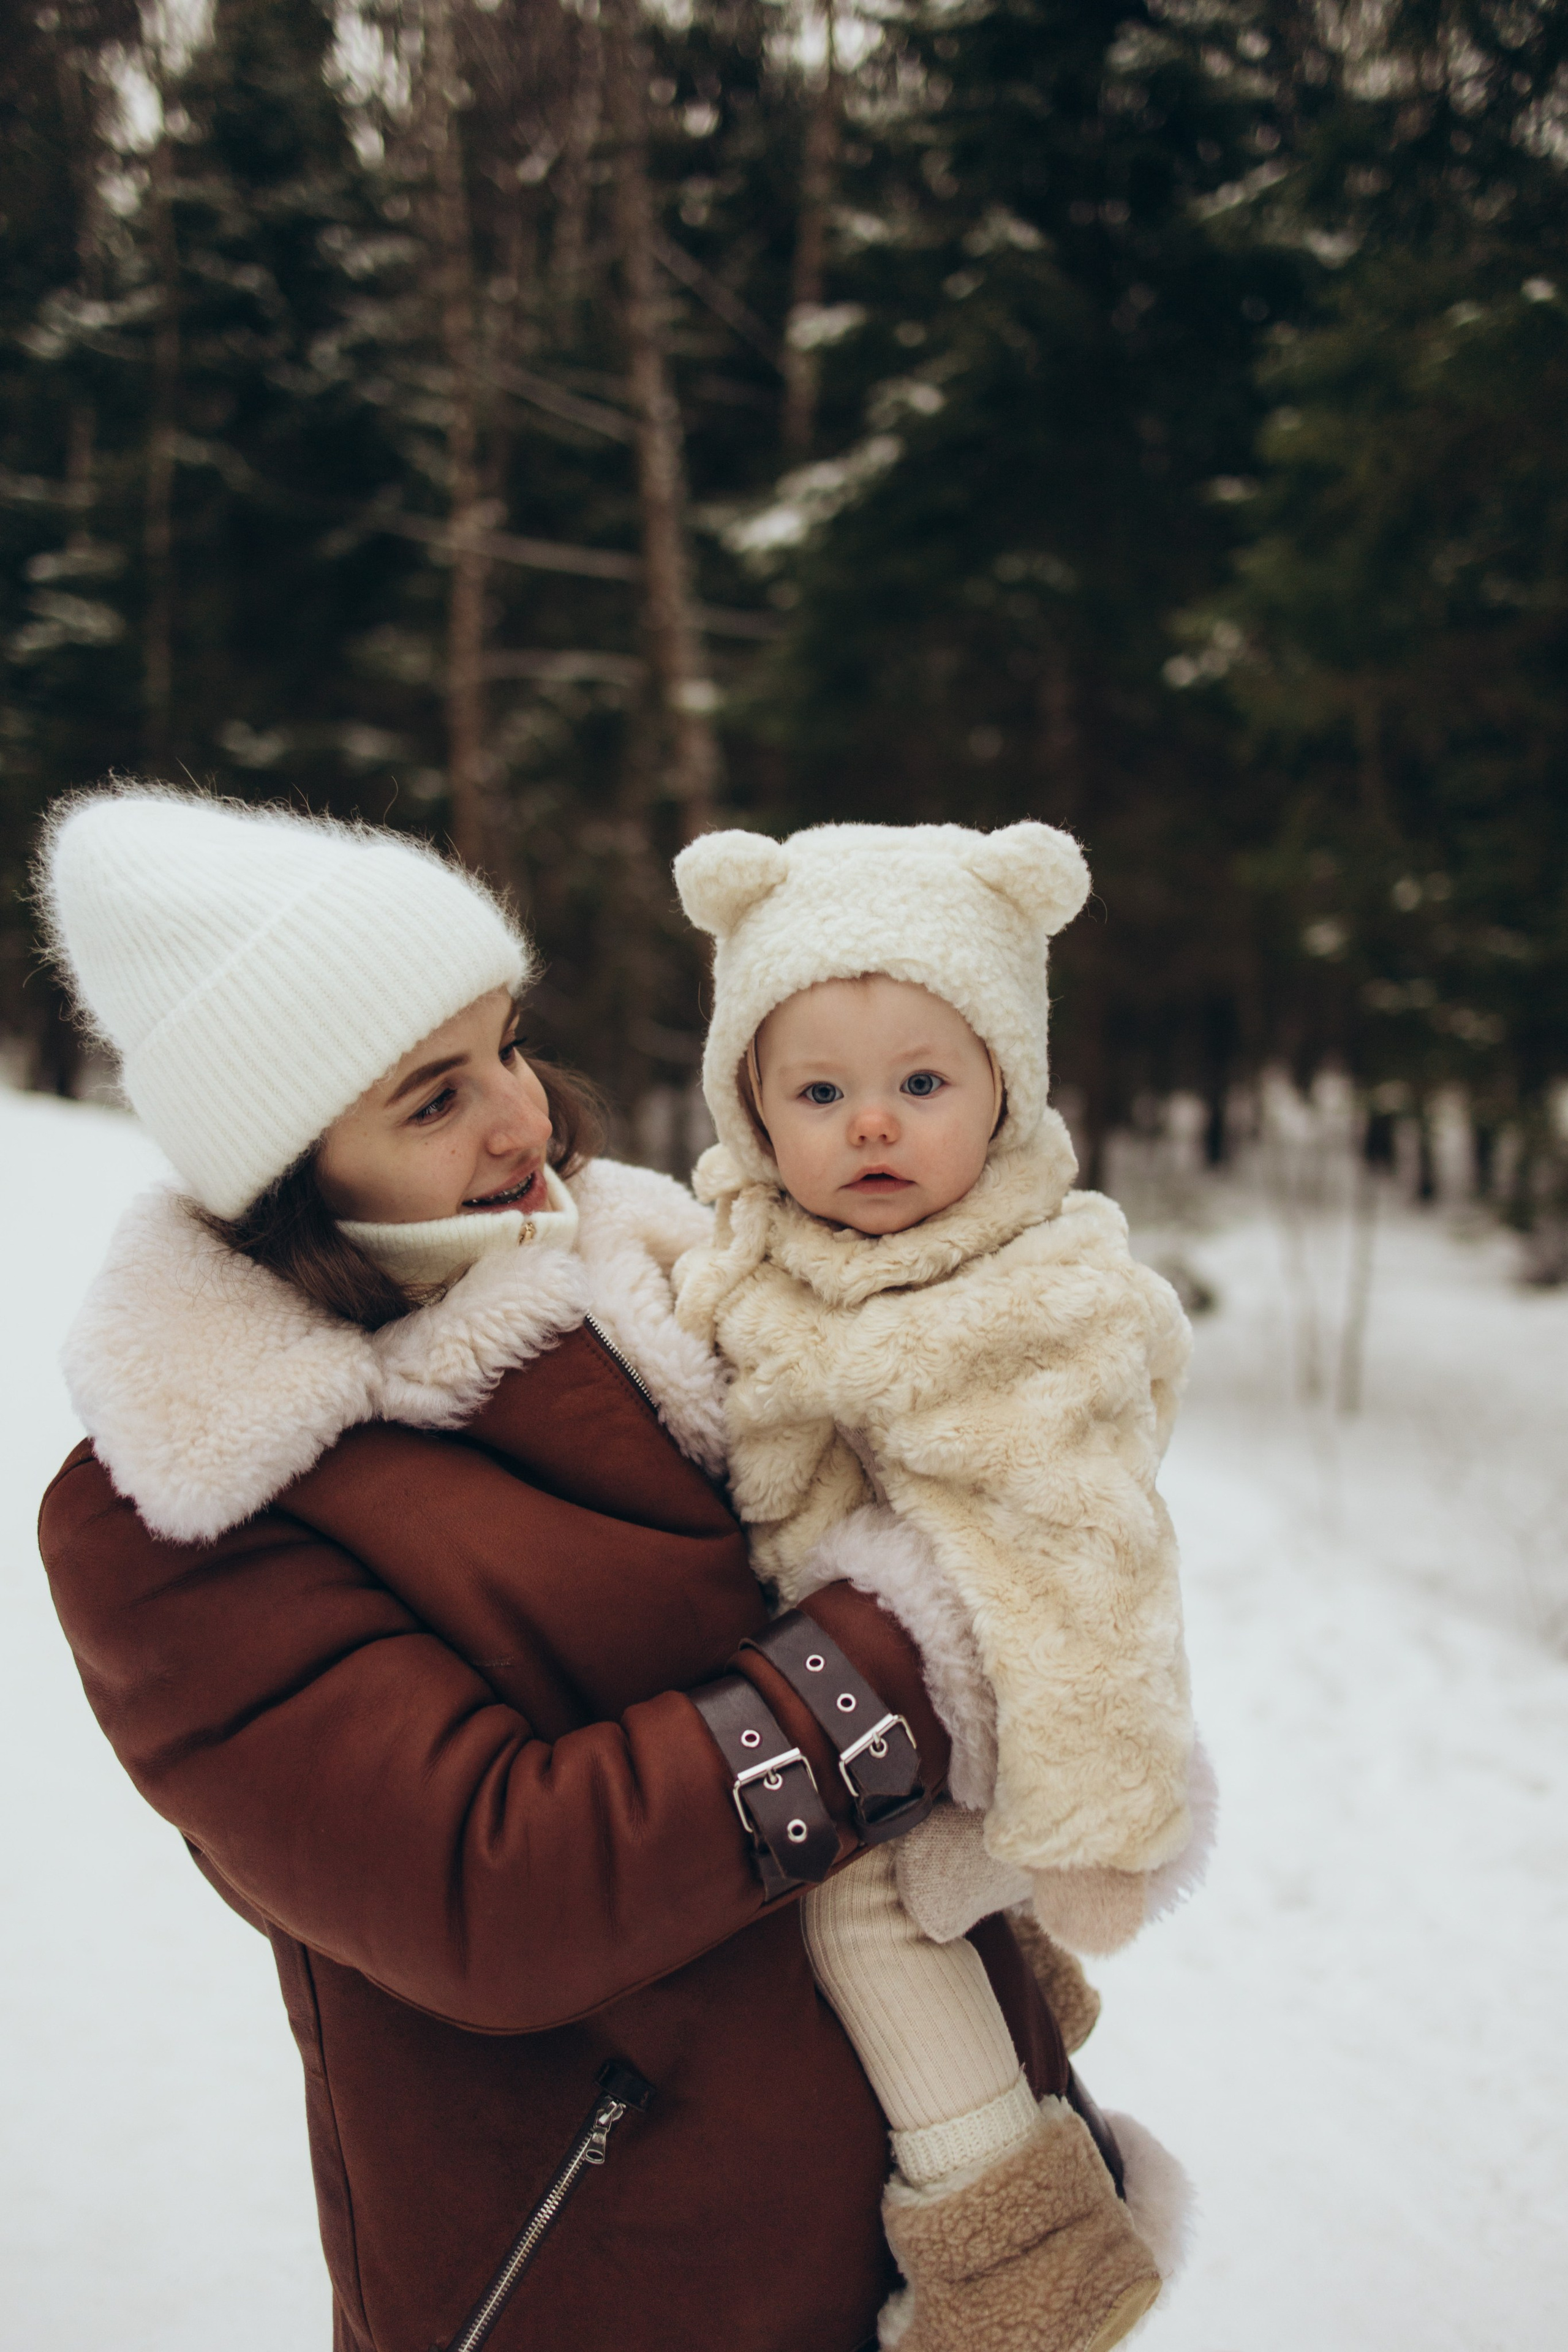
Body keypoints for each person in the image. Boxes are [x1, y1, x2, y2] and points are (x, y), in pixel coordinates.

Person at [34, 785, 1090, 2352]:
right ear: (286, 1170)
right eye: (433, 1097)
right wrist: (901, 1648)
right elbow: (496, 1886)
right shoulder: (184, 1518)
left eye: (508, 1046)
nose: (524, 1120)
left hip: (906, 2202)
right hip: (614, 2276)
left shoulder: (654, 1264)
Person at [671, 820, 1205, 2352]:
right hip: (830, 1690)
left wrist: (1100, 1821)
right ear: (751, 1105)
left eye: (922, 1082)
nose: (872, 1129)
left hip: (1009, 1695)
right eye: (818, 1092)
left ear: (1003, 1086)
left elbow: (1092, 1572)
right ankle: (1013, 2004)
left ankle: (1034, 2271)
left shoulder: (1033, 1298)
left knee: (863, 1918)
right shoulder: (751, 1254)